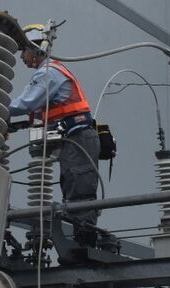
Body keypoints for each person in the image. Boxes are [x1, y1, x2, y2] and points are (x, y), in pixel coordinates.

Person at [8, 23, 101, 244]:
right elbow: (38, 114)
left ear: (35, 48)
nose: (21, 56)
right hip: (75, 140)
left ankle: (83, 242)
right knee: (72, 189)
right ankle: (79, 239)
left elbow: (25, 104)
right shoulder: (51, 73)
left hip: (79, 139)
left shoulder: (48, 73)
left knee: (78, 192)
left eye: (23, 50)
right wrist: (16, 125)